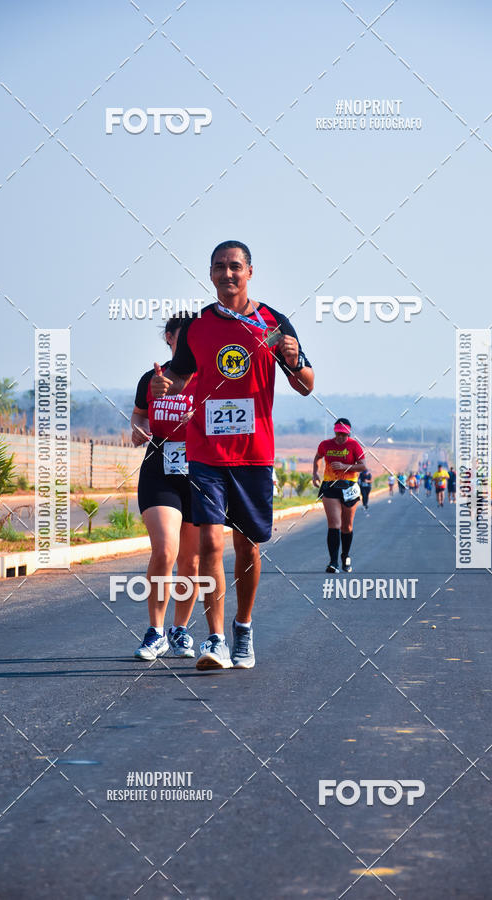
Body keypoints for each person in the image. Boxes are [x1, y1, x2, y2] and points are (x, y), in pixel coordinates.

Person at [151, 240, 314, 670]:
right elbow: (179, 376)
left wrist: (294, 360)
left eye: (235, 266)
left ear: (250, 272)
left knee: (247, 546)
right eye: (219, 267)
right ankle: (216, 639)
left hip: (254, 454)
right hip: (206, 451)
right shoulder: (198, 326)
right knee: (209, 540)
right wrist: (164, 386)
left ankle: (243, 629)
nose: (228, 273)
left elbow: (305, 385)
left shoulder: (272, 323)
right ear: (210, 274)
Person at [131, 316, 200, 661]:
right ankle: (155, 632)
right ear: (170, 338)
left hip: (201, 472)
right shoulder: (152, 378)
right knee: (165, 550)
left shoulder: (212, 378)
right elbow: (139, 416)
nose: (190, 343)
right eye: (184, 336)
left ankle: (180, 629)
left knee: (191, 560)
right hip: (160, 468)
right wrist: (137, 429)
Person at [313, 419, 367, 573]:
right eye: (338, 434)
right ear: (334, 431)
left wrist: (345, 467)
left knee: (346, 526)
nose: (340, 437)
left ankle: (345, 556)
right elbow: (317, 457)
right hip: (330, 486)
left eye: (344, 434)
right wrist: (315, 473)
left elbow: (363, 466)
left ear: (348, 433)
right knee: (334, 525)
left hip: (349, 487)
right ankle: (333, 562)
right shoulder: (325, 444)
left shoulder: (354, 445)